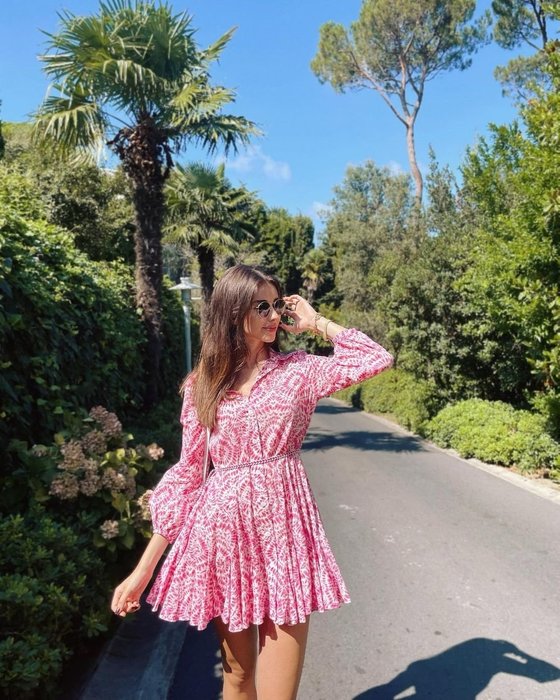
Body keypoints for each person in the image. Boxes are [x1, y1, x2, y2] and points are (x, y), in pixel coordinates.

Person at [111, 264, 393, 700]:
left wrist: (317, 323)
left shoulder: (298, 371)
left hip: (285, 538)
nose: (274, 315)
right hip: (225, 540)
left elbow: (375, 358)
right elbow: (188, 476)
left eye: (276, 305)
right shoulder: (203, 386)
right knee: (238, 679)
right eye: (262, 306)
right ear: (232, 311)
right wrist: (141, 572)